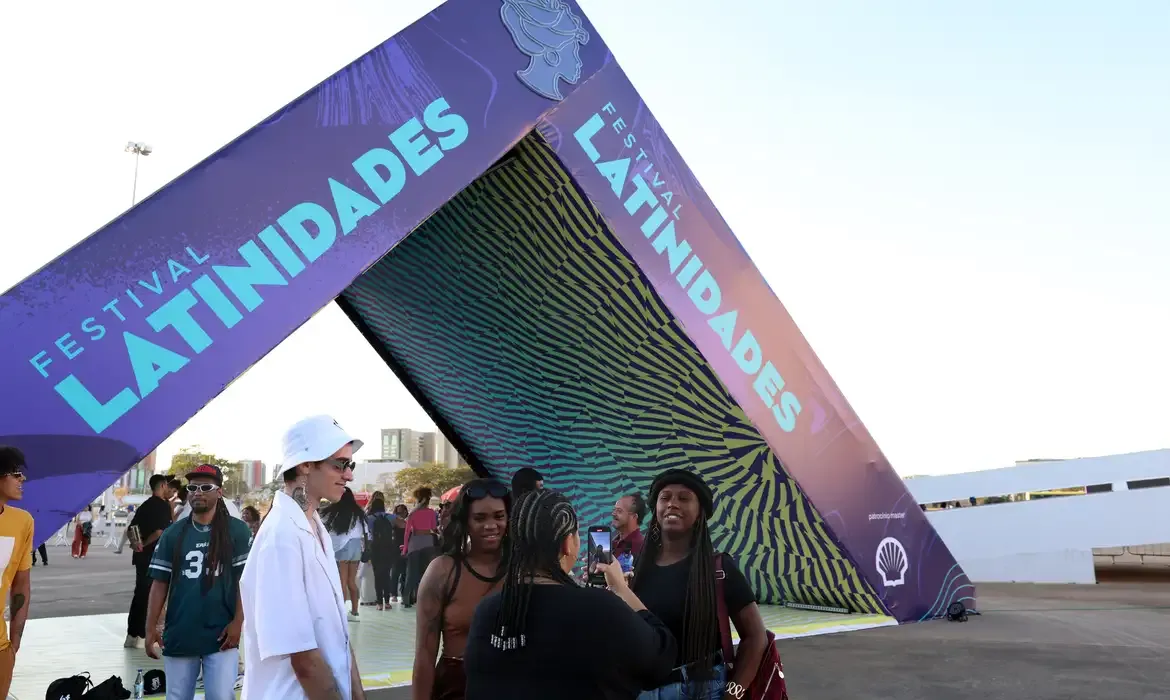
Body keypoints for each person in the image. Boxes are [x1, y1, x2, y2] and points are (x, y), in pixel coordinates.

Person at [464, 489, 675, 699]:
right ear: (567, 543)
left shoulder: (486, 610)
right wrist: (621, 589)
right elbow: (661, 658)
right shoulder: (600, 608)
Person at [240, 415, 366, 700]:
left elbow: (339, 637)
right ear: (306, 465)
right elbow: (303, 658)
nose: (349, 475)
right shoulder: (282, 537)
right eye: (340, 464)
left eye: (350, 465)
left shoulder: (313, 526)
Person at [630, 469, 770, 700]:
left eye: (684, 498)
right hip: (642, 690)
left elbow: (756, 637)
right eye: (665, 498)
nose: (672, 504)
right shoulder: (634, 569)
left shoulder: (719, 568)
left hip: (703, 691)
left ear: (700, 513)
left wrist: (733, 694)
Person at [145, 464, 252, 700]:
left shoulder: (237, 531)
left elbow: (243, 582)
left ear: (219, 492)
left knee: (220, 696)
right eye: (192, 487)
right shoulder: (173, 533)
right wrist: (150, 627)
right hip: (181, 631)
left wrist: (238, 621)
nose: (197, 492)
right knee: (177, 696)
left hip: (221, 634)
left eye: (206, 487)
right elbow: (159, 583)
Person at [412, 479, 510, 700]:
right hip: (456, 689)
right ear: (464, 521)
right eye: (479, 518)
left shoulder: (522, 571)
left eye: (499, 516)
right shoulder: (443, 571)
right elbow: (425, 655)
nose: (491, 525)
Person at [126, 474, 177, 648]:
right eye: (168, 485)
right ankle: (145, 634)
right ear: (162, 486)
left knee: (140, 594)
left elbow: (131, 528)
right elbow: (160, 532)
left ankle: (132, 634)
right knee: (152, 595)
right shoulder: (162, 506)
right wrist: (146, 545)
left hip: (141, 558)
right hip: (154, 558)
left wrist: (137, 544)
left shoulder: (145, 505)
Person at [0, 446, 33, 699]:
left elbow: (21, 583)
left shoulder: (23, 521)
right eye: (15, 473)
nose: (22, 479)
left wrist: (15, 639)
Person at [322, 487, 368, 620]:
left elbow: (325, 528)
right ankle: (354, 612)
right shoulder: (359, 512)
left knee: (341, 582)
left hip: (343, 547)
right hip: (356, 547)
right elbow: (366, 532)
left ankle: (340, 614)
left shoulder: (333, 511)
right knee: (351, 582)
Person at [402, 487, 438, 608]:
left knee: (411, 573)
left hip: (415, 543)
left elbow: (407, 533)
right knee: (427, 574)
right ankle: (423, 599)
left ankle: (407, 599)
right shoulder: (432, 512)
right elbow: (433, 527)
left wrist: (404, 549)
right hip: (428, 542)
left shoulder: (413, 513)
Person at [365, 497, 402, 610]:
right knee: (387, 574)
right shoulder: (390, 517)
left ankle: (379, 603)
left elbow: (366, 534)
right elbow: (403, 524)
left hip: (375, 547)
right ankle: (387, 602)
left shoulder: (369, 518)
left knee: (377, 575)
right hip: (389, 547)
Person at [612, 493, 647, 562]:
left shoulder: (642, 548)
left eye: (619, 511)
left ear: (634, 517)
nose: (613, 513)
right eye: (614, 510)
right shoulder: (612, 543)